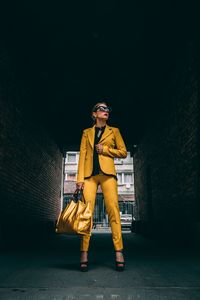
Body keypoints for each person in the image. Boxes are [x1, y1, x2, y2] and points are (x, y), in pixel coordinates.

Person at [76, 102, 127, 272]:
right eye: (102, 108)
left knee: (113, 211)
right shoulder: (86, 133)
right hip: (89, 177)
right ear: (94, 114)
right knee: (86, 214)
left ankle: (119, 251)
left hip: (108, 176)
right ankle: (84, 252)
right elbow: (82, 155)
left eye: (107, 109)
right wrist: (79, 179)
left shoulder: (115, 131)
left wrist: (105, 149)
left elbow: (123, 152)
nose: (106, 111)